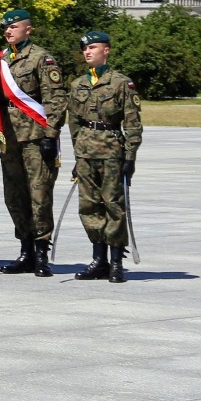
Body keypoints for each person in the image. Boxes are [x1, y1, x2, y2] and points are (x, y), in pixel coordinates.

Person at [0, 8, 68, 278]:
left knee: (39, 196)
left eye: (13, 27)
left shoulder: (41, 58)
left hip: (36, 138)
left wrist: (50, 135)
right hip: (9, 139)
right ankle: (25, 250)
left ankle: (41, 253)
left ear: (28, 29)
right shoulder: (0, 60)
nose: (8, 31)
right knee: (14, 196)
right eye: (6, 27)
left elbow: (56, 99)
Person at [66, 31, 142, 283]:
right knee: (89, 206)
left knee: (113, 206)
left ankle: (117, 262)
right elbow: (74, 122)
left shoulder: (121, 83)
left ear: (106, 50)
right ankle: (99, 259)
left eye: (93, 47)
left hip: (111, 150)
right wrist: (77, 155)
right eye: (85, 49)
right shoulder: (78, 84)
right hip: (86, 151)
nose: (87, 52)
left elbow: (132, 122)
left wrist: (130, 156)